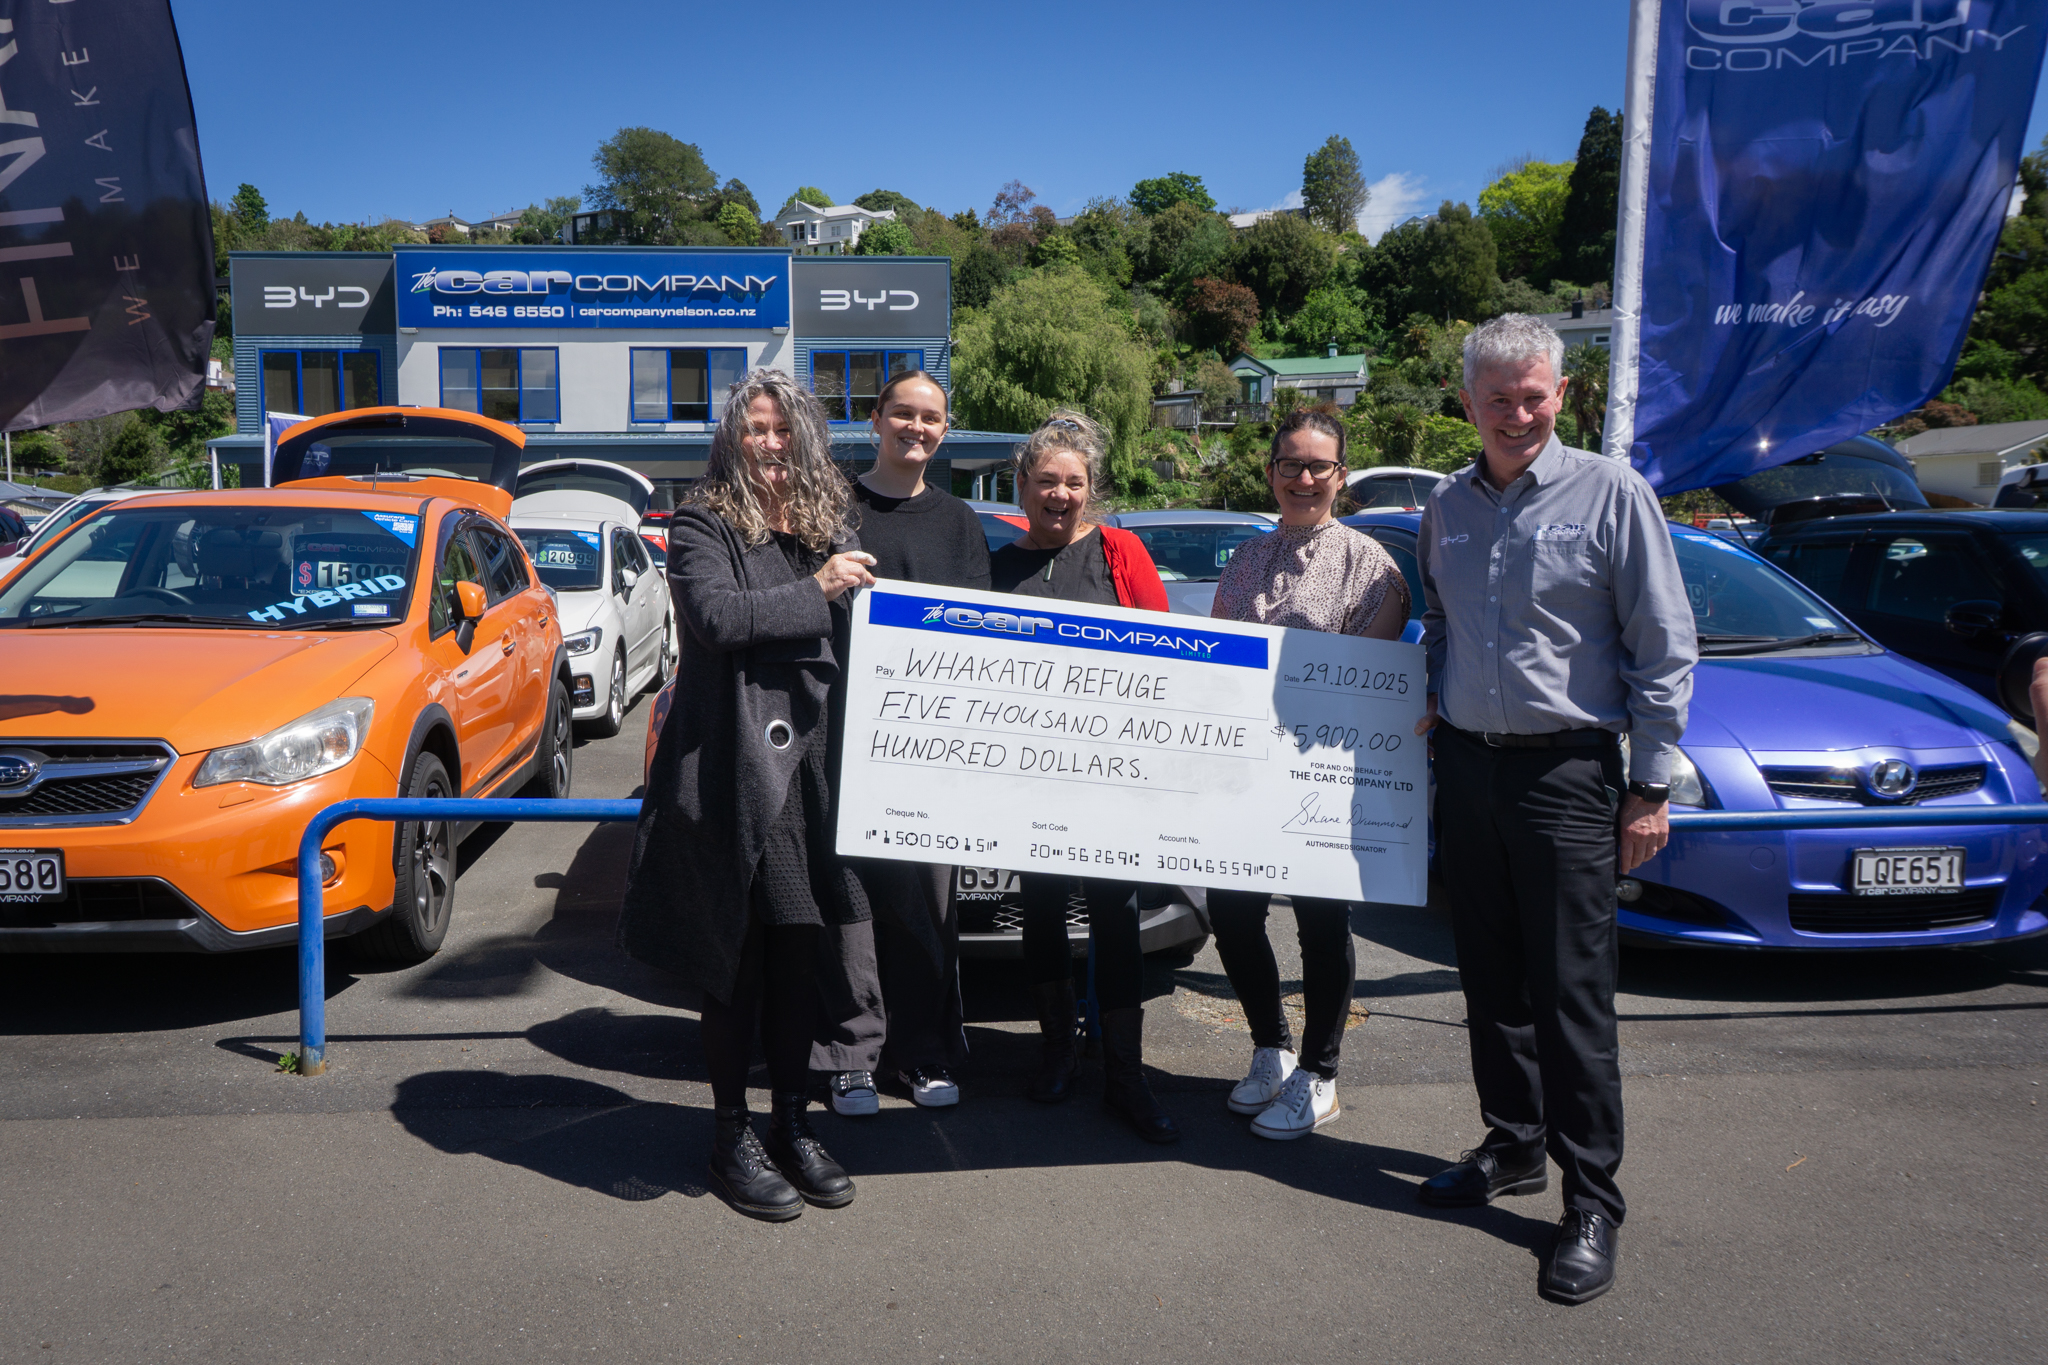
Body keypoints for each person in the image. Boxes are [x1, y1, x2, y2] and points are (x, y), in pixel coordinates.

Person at [1413, 314, 1695, 1304]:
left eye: (1533, 396)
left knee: (1569, 997)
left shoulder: (1611, 495)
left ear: (1560, 395)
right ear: (1467, 403)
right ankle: (1513, 1144)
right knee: (1488, 977)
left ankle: (1590, 1203)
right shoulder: (1444, 505)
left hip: (1569, 775)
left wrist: (1649, 785)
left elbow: (1662, 645)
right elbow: (1439, 615)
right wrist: (1428, 689)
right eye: (1498, 399)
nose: (1517, 414)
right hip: (1468, 770)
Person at [617, 369, 879, 1223]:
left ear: (805, 441)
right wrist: (822, 589)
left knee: (804, 958)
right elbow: (722, 620)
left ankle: (791, 1122)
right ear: (732, 437)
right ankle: (730, 1135)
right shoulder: (700, 522)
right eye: (755, 429)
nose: (769, 444)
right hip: (734, 770)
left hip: (812, 776)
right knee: (736, 965)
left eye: (782, 430)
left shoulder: (821, 530)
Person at [1207, 407, 1409, 1140]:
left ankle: (1320, 1071)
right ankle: (1270, 1045)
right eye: (1289, 463)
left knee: (1324, 924)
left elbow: (1372, 672)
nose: (1303, 477)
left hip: (1330, 772)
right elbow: (1222, 663)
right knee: (1230, 911)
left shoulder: (1372, 564)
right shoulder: (1244, 560)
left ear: (1341, 476)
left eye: (1318, 465)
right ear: (1271, 471)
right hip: (1247, 769)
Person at [989, 409, 1178, 1143]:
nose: (1060, 494)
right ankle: (1060, 1051)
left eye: (1073, 481)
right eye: (1046, 481)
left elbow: (1168, 653)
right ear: (1023, 486)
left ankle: (1126, 1076)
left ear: (1090, 487)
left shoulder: (1120, 551)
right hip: (1031, 782)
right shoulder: (998, 567)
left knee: (1116, 918)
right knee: (1039, 913)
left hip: (1112, 780)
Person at [813, 369, 991, 1116]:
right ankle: (851, 1056)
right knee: (847, 907)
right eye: (903, 414)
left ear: (945, 430)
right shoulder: (833, 513)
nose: (916, 427)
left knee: (927, 909)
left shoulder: (959, 522)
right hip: (840, 748)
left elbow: (987, 643)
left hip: (931, 759)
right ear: (876, 419)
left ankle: (923, 1053)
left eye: (931, 418)